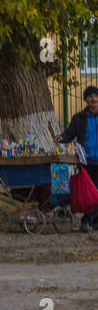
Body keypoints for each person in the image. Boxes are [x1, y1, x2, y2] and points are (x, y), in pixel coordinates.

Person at [56, 85, 98, 229]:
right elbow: (69, 133)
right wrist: (61, 138)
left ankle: (91, 221)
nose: (94, 99)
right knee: (89, 194)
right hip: (86, 162)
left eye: (96, 96)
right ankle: (87, 221)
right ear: (86, 99)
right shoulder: (79, 118)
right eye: (90, 96)